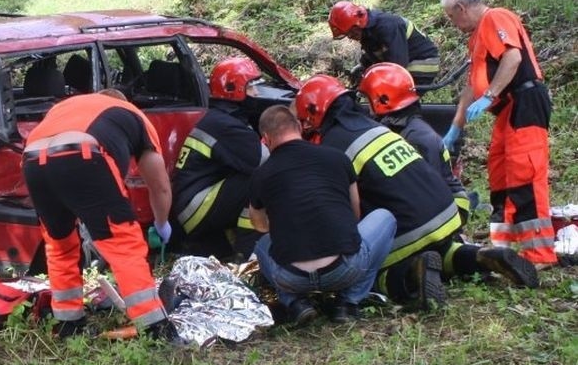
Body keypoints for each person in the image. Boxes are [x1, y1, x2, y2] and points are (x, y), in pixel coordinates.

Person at [294, 75, 539, 309]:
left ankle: (411, 273)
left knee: (371, 273)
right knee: (444, 254)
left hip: (410, 227)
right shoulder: (377, 127)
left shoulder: (331, 147)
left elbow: (338, 208)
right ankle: (480, 256)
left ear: (314, 112)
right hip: (446, 213)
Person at [21, 89, 176, 339]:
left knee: (59, 243)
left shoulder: (67, 107)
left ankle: (67, 323)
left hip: (32, 159)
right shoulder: (133, 114)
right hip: (83, 151)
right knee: (123, 240)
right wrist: (161, 222)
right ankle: (154, 326)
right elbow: (159, 186)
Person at [440, 0, 557, 270]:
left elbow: (513, 57)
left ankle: (538, 255)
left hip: (524, 101)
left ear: (461, 7)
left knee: (524, 174)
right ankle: (502, 249)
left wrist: (491, 94)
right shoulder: (476, 37)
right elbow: (471, 88)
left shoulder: (496, 17)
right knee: (501, 173)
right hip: (506, 110)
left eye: (451, 17)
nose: (452, 24)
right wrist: (456, 127)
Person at [249, 105, 396, 324]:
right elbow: (354, 215)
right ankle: (348, 303)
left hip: (292, 277)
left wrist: (289, 225)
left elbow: (259, 225)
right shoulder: (337, 158)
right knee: (385, 217)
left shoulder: (261, 174)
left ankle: (295, 303)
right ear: (298, 127)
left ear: (266, 138)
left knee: (262, 245)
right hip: (344, 269)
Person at [171, 57, 269, 260]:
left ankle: (237, 243)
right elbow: (263, 158)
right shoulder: (225, 125)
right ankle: (248, 249)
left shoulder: (221, 119)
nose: (257, 93)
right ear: (234, 89)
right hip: (195, 209)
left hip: (191, 206)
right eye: (251, 87)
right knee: (260, 177)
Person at [358, 62, 473, 223]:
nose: (369, 110)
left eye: (368, 100)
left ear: (382, 99)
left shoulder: (416, 137)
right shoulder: (405, 128)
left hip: (450, 207)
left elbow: (424, 187)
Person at [328, 0, 440, 86]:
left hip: (424, 62)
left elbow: (397, 66)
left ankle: (404, 115)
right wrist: (362, 67)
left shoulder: (388, 27)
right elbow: (374, 53)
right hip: (409, 62)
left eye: (351, 33)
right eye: (348, 35)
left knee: (394, 93)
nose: (352, 37)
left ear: (358, 24)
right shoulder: (369, 31)